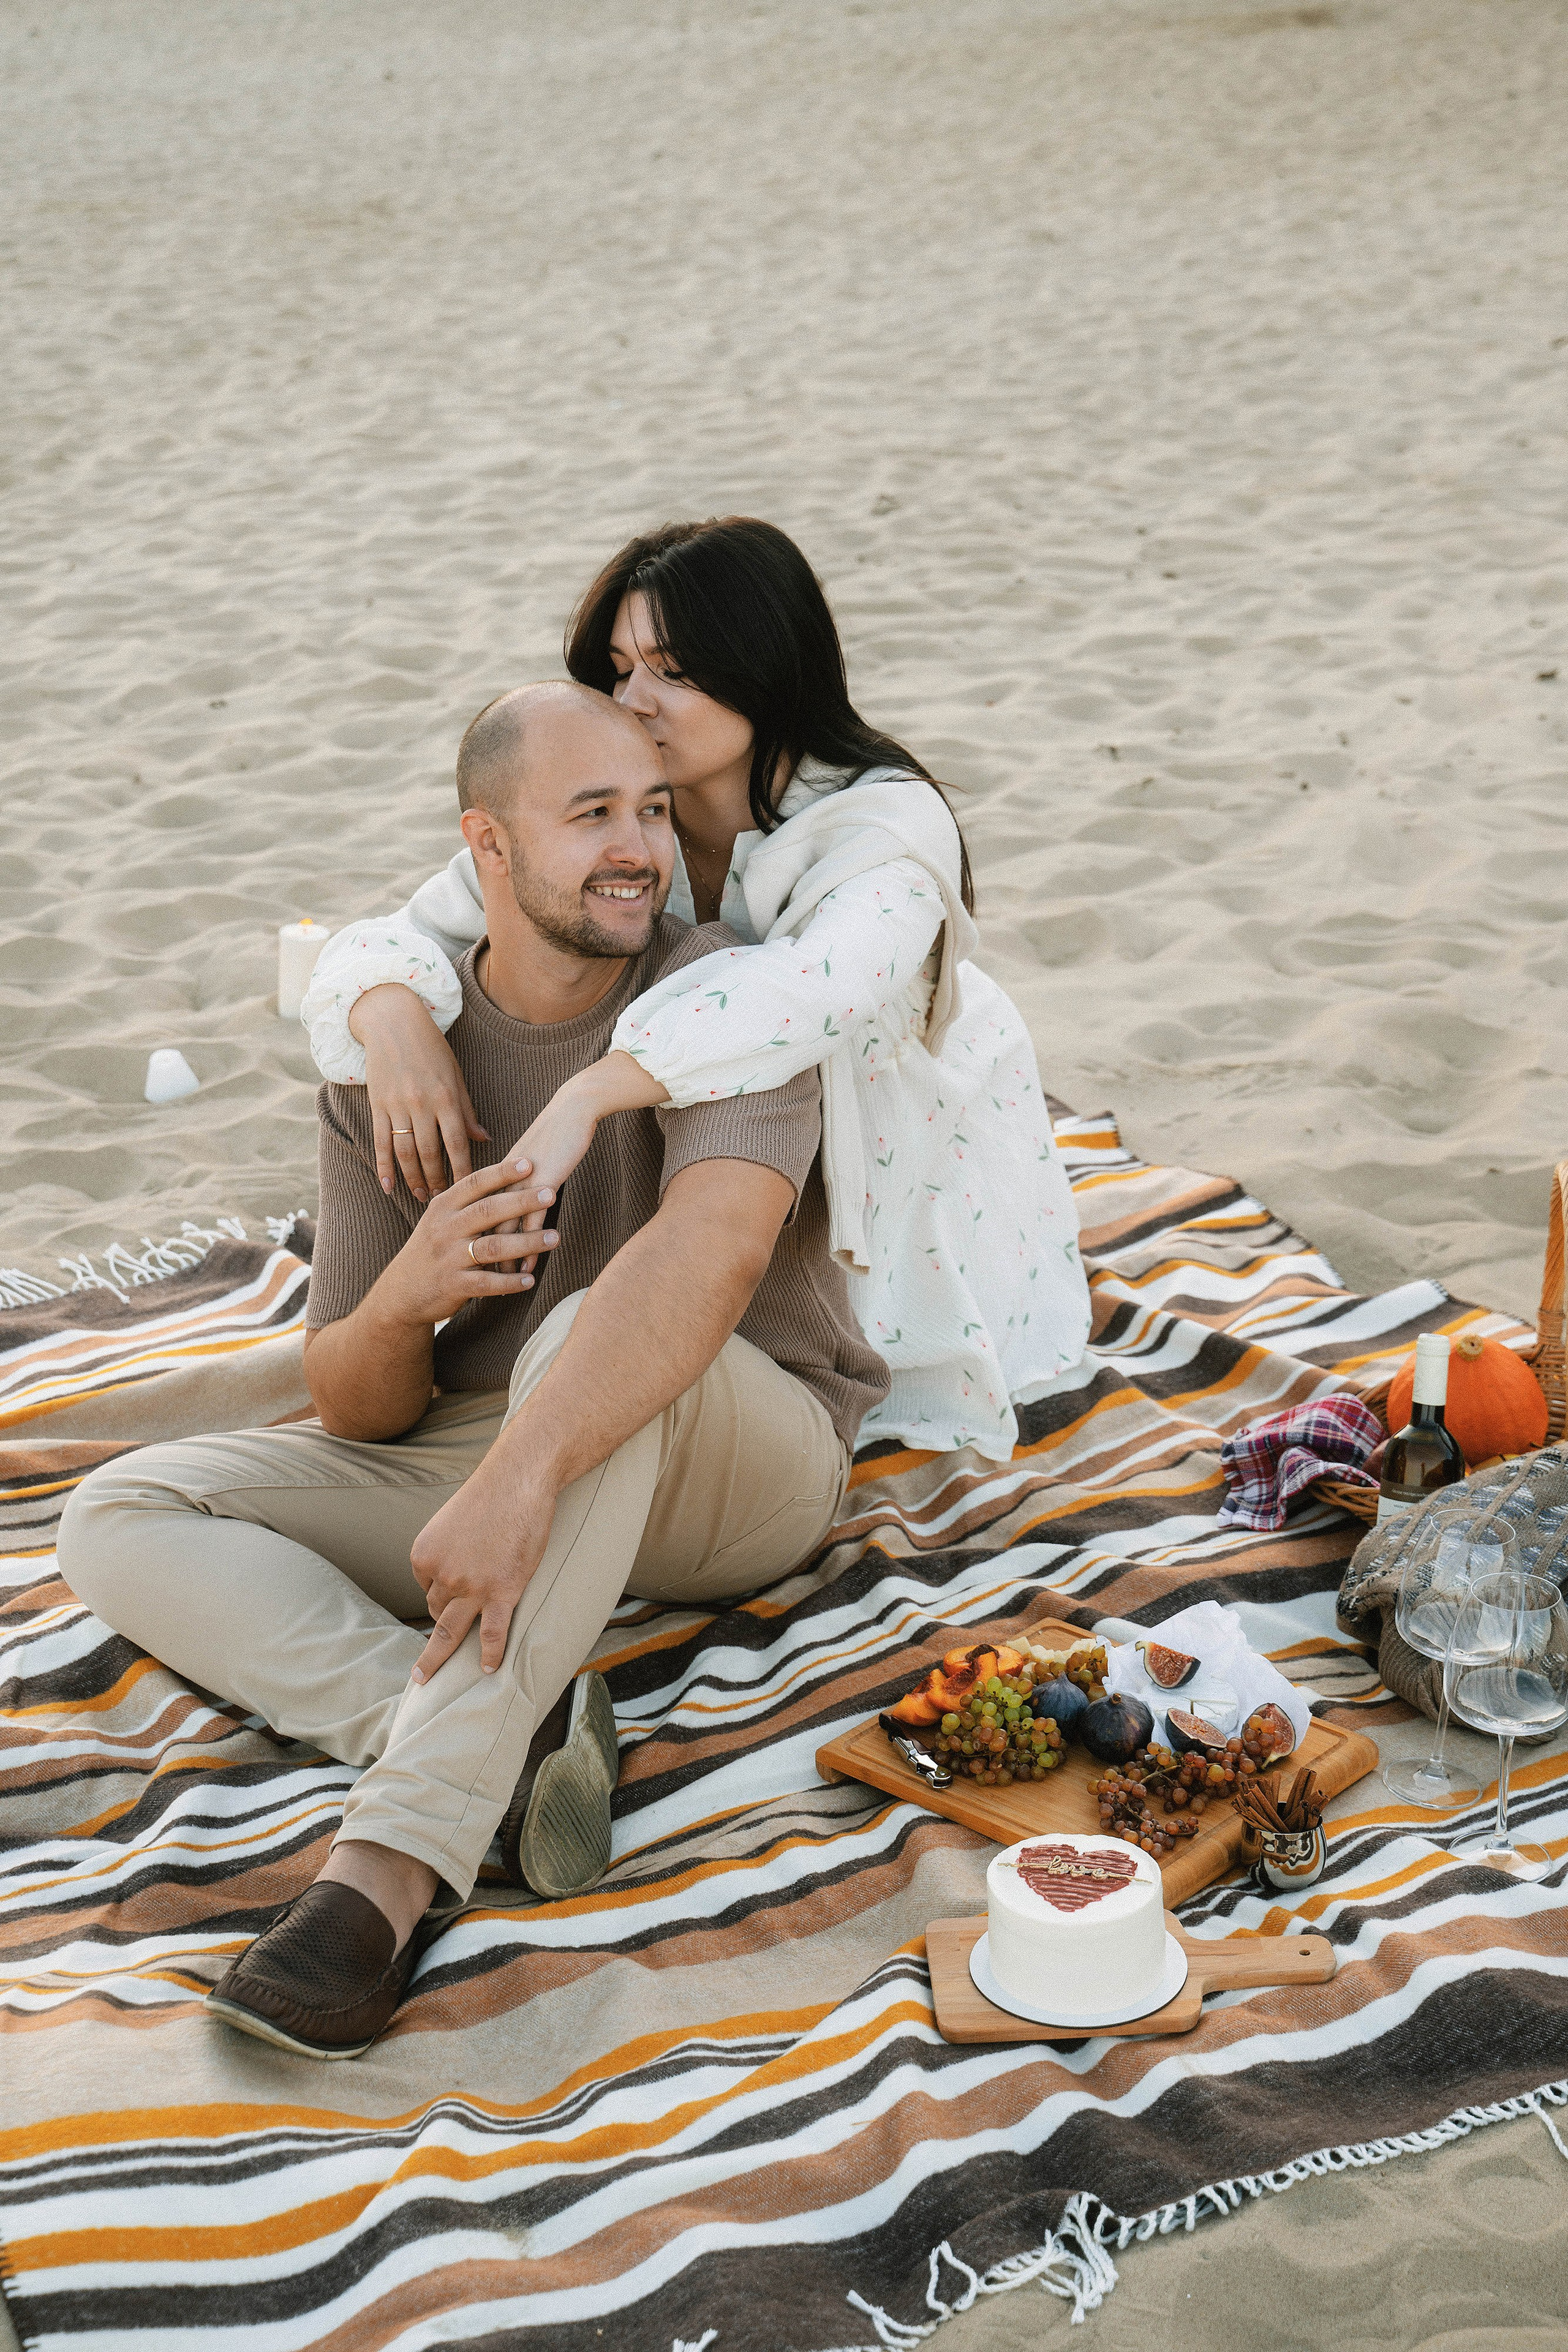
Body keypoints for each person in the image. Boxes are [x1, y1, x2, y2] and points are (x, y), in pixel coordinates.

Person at [58, 684, 888, 2059]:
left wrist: (517, 1476)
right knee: (125, 1511)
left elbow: (710, 1264)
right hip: (498, 1448)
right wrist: (406, 1299)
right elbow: (356, 1403)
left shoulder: (722, 998)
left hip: (742, 1455)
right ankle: (498, 1741)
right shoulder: (400, 1062)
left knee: (596, 1334)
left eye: (647, 811)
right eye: (590, 817)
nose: (636, 847)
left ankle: (386, 1868)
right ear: (485, 849)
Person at [303, 518, 1090, 1463]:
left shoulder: (883, 825)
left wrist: (589, 1090)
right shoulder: (617, 817)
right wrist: (388, 1015)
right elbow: (402, 932)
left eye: (672, 670)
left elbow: (809, 994)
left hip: (895, 1146)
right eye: (619, 666)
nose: (633, 701)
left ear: (766, 670)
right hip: (721, 1171)